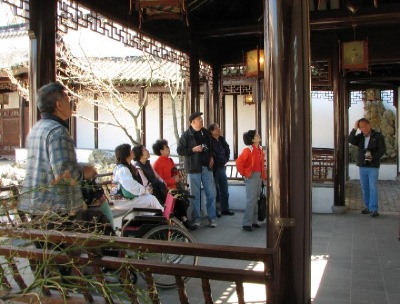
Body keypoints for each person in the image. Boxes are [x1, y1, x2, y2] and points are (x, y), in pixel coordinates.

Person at [19, 82, 98, 218]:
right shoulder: (58, 132)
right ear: (59, 105)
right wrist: (85, 172)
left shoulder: (36, 129)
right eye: (67, 99)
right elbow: (64, 174)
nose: (71, 103)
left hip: (36, 205)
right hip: (57, 209)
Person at [177, 112, 217, 228]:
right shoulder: (186, 135)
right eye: (199, 119)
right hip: (193, 168)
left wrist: (212, 157)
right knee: (195, 195)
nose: (202, 120)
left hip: (206, 167)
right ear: (193, 122)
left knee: (211, 193)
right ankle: (197, 218)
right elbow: (180, 150)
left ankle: (212, 218)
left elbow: (212, 148)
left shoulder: (206, 132)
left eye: (201, 119)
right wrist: (193, 149)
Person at [152, 139, 197, 230]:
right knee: (180, 202)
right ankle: (184, 222)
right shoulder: (158, 163)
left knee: (184, 201)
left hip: (174, 188)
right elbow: (160, 181)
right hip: (166, 191)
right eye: (166, 147)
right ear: (161, 151)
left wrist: (177, 177)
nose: (169, 149)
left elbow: (175, 173)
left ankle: (182, 222)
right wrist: (173, 180)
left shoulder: (169, 160)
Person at [349, 118, 386, 217]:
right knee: (364, 187)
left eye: (365, 125)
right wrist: (354, 128)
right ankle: (368, 207)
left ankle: (374, 209)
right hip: (362, 165)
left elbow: (382, 149)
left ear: (369, 125)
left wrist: (373, 157)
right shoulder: (360, 137)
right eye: (361, 127)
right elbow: (350, 139)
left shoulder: (377, 136)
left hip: (373, 165)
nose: (364, 128)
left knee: (372, 187)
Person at [112, 143, 163, 211]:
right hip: (123, 201)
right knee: (151, 199)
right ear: (126, 154)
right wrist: (145, 190)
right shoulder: (123, 169)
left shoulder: (123, 167)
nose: (132, 151)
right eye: (130, 150)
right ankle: (166, 218)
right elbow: (131, 186)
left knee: (150, 199)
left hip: (125, 199)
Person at [235, 130, 266, 232]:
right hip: (252, 176)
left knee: (256, 198)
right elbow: (239, 162)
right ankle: (247, 223)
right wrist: (245, 173)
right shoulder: (248, 150)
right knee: (251, 199)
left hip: (258, 176)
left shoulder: (260, 149)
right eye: (256, 135)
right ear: (253, 139)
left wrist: (263, 176)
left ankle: (254, 221)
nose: (258, 136)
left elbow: (261, 165)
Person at [208, 123, 234, 217]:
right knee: (214, 190)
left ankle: (225, 209)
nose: (219, 130)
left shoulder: (221, 139)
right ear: (212, 131)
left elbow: (227, 149)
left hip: (222, 167)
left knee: (224, 189)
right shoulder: (209, 140)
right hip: (213, 169)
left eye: (219, 128)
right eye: (217, 128)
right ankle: (214, 211)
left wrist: (226, 159)